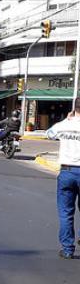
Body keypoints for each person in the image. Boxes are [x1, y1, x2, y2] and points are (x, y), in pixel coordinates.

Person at [46, 104, 80, 259]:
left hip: (67, 172)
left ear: (74, 109)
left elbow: (49, 134)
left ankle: (67, 249)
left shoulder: (64, 125)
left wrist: (67, 120)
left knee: (66, 212)